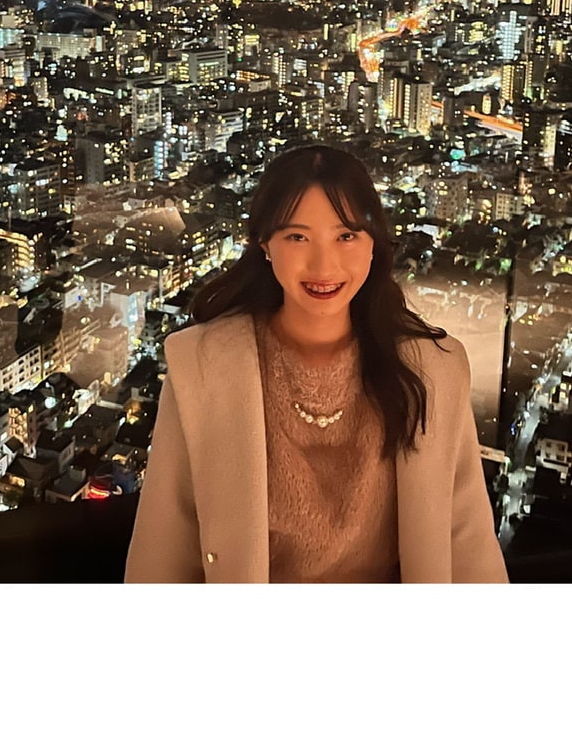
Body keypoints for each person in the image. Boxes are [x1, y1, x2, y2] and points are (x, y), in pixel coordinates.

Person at [125, 144, 508, 583]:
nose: (324, 265)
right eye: (297, 237)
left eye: (346, 236)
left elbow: (467, 542)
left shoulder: (432, 372)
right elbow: (165, 549)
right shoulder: (205, 369)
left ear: (373, 243)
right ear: (265, 245)